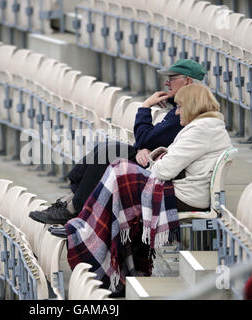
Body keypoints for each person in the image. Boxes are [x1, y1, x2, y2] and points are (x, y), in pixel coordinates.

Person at [64, 83, 233, 296]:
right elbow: (169, 162)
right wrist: (160, 156)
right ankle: (97, 239)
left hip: (184, 196)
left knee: (120, 170)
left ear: (192, 106)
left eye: (180, 106)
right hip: (184, 191)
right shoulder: (208, 126)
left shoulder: (201, 130)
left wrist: (156, 158)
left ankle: (87, 234)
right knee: (119, 172)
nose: (177, 112)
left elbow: (163, 170)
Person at [30, 59, 207, 225]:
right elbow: (149, 139)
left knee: (108, 154)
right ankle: (70, 204)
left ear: (188, 82)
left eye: (172, 78)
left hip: (157, 168)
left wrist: (145, 108)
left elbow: (146, 138)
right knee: (107, 149)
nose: (167, 83)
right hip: (152, 158)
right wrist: (142, 146)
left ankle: (75, 209)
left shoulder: (184, 114)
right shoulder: (180, 109)